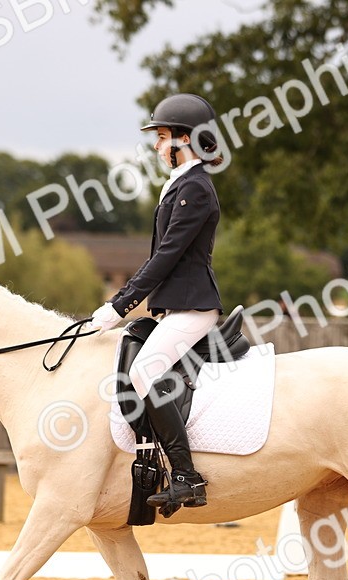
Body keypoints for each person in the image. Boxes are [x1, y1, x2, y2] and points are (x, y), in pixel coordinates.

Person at [90, 93, 225, 509]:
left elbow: (166, 256)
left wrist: (119, 305)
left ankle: (187, 476)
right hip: (175, 305)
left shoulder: (196, 188)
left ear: (184, 139)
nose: (156, 146)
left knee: (145, 373)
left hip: (193, 307)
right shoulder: (181, 185)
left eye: (162, 136)